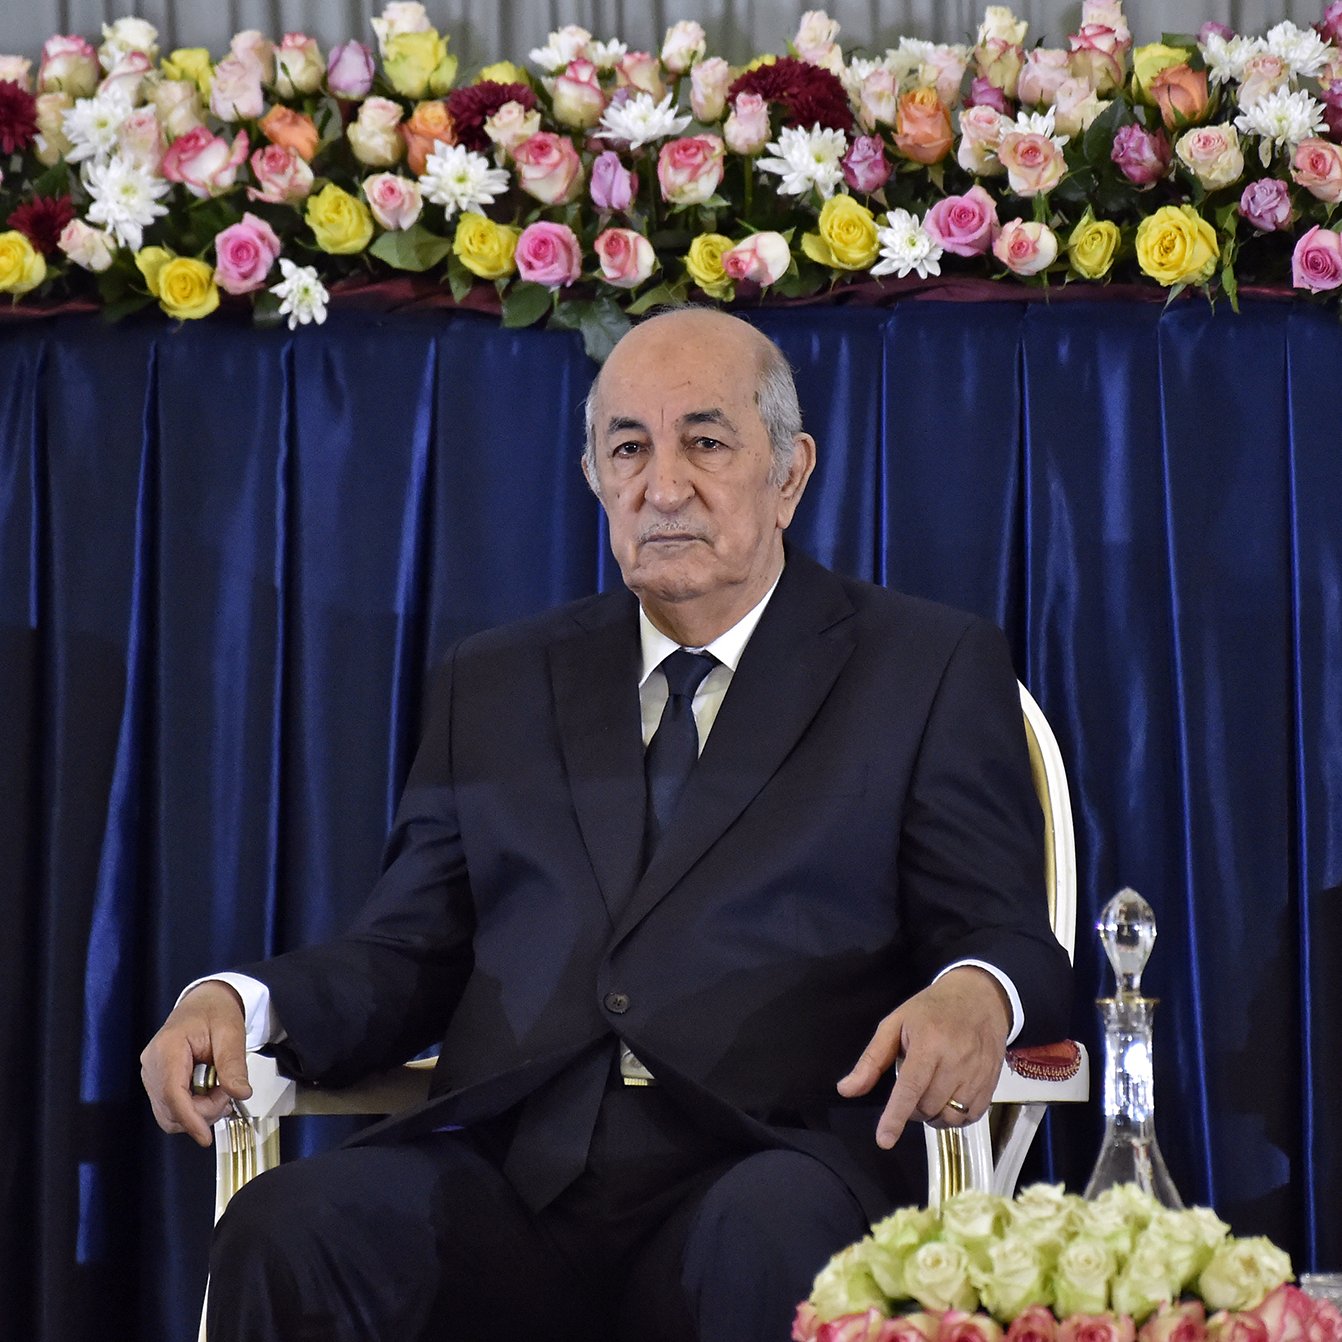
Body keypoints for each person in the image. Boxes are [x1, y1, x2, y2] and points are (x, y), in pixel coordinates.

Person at [141, 307, 1072, 1342]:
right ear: (593, 477)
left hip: (767, 1160)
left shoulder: (923, 666)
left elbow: (1003, 933)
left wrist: (972, 994)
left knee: (770, 1235)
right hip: (513, 1172)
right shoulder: (494, 679)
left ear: (790, 474)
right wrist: (242, 1002)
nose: (662, 486)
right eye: (627, 448)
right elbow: (406, 953)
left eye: (705, 443)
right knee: (292, 1224)